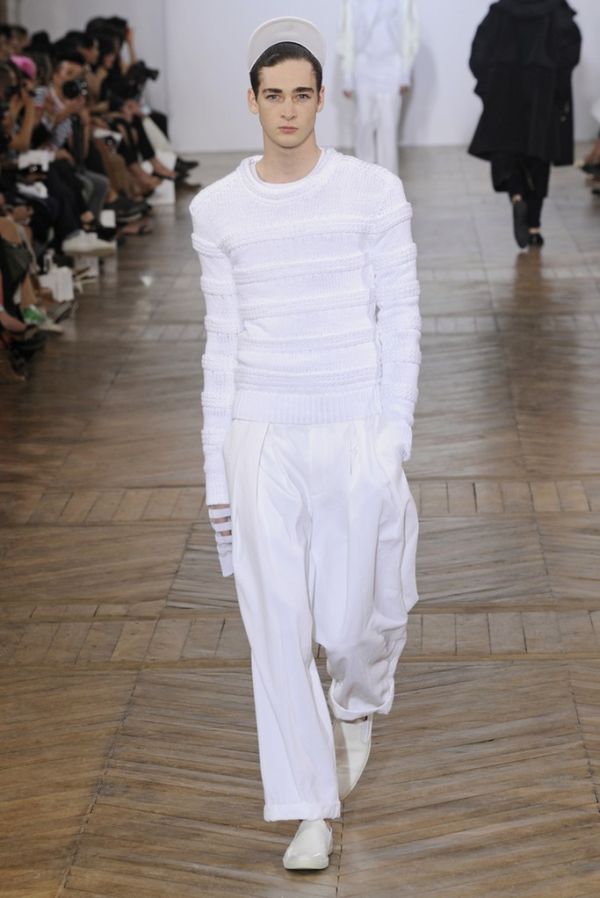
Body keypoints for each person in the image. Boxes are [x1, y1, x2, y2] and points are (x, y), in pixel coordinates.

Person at [189, 16, 420, 871]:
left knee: (354, 623)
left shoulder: (372, 192)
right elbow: (220, 344)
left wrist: (392, 433)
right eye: (272, 95)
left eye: (301, 95)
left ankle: (355, 701)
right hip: (260, 431)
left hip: (354, 423)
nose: (287, 110)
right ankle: (307, 809)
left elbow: (401, 319)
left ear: (322, 100)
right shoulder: (217, 210)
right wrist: (217, 468)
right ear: (251, 101)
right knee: (276, 628)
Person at [468, 0, 581, 248]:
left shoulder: (500, 11)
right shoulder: (555, 10)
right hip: (543, 90)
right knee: (539, 155)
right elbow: (570, 51)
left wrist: (488, 85)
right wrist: (558, 88)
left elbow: (479, 52)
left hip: (504, 87)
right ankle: (534, 227)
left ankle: (517, 195)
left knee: (506, 150)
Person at [338, 0, 419, 174]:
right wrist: (347, 76)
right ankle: (364, 175)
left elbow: (409, 32)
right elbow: (347, 34)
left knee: (388, 125)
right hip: (363, 66)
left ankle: (389, 177)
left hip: (392, 66)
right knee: (364, 123)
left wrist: (405, 73)